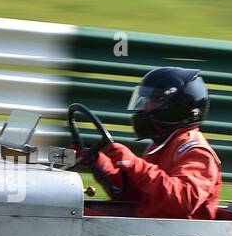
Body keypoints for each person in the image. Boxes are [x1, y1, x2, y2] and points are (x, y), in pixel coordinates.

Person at [86, 67, 221, 219]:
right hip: (152, 229)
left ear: (178, 105)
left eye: (154, 100)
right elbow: (135, 197)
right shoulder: (161, 144)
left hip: (179, 233)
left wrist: (136, 165)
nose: (144, 107)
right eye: (146, 99)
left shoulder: (195, 151)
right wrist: (101, 163)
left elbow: (184, 202)